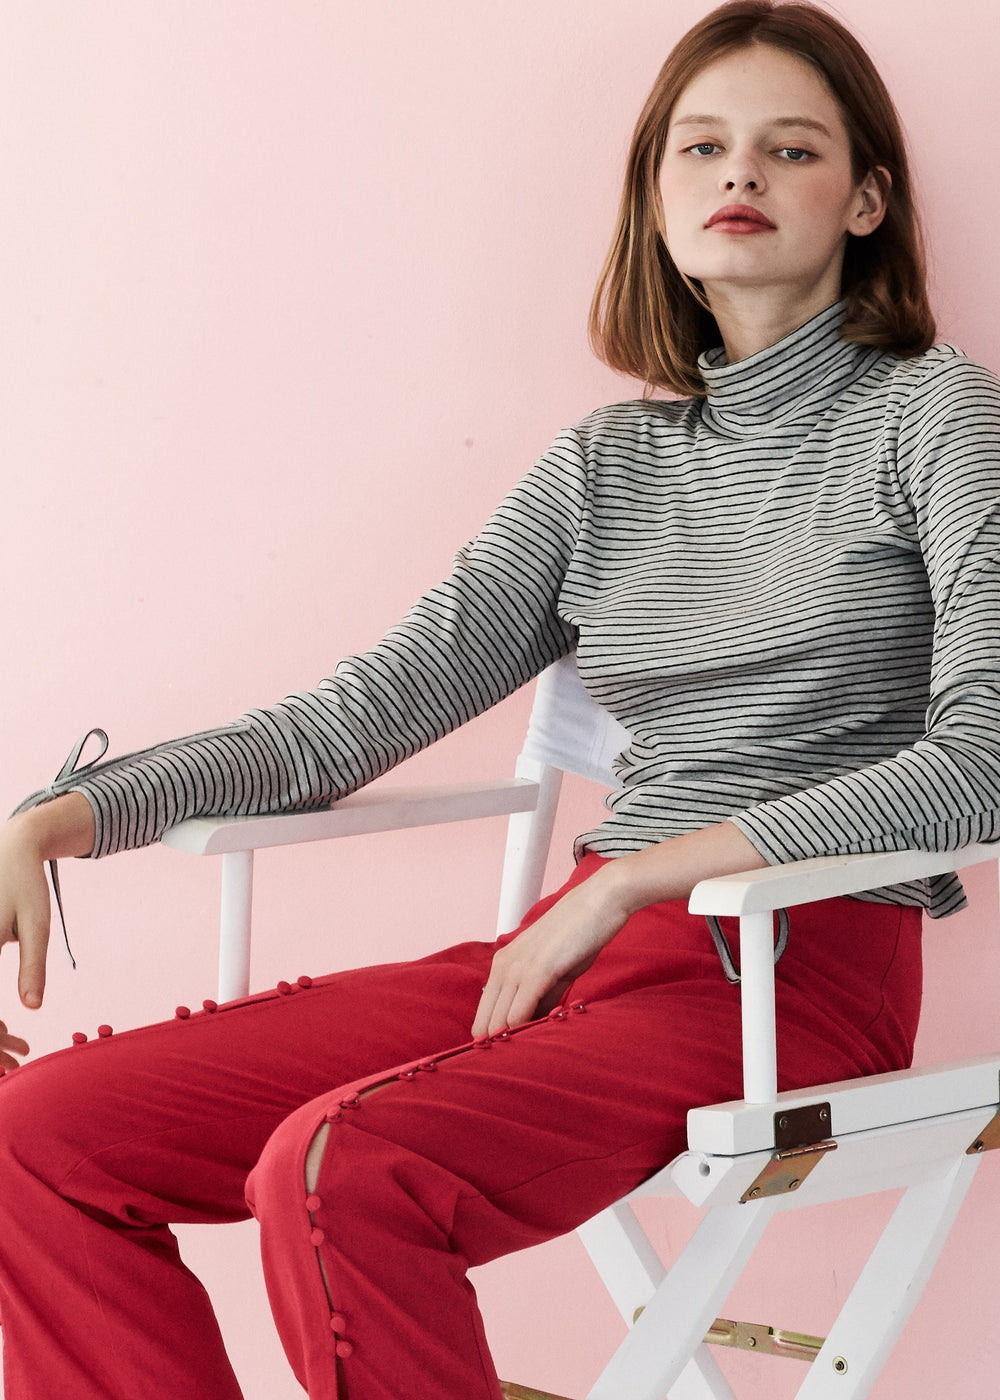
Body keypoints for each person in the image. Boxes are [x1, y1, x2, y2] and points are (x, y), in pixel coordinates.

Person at [0, 1, 998, 1397]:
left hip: (786, 975)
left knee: (337, 1168)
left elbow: (982, 758)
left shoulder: (939, 415)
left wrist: (635, 879)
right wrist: (69, 816)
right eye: (702, 147)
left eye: (791, 149)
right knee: (37, 1132)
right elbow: (359, 715)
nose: (740, 174)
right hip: (577, 957)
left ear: (867, 199)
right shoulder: (605, 467)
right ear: (654, 198)